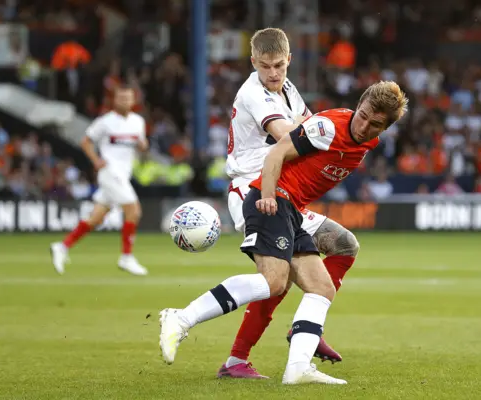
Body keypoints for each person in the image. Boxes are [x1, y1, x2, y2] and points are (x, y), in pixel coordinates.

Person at [159, 80, 408, 385]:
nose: (364, 124)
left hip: (293, 211)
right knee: (274, 281)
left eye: (375, 124)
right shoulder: (328, 127)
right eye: (363, 114)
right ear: (359, 104)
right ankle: (181, 318)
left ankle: (298, 366)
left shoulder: (370, 142)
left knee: (322, 285)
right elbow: (277, 153)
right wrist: (266, 195)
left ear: (385, 128)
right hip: (272, 199)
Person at [219, 27, 358, 380]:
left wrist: (304, 125)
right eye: (265, 66)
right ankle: (237, 358)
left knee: (344, 245)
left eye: (279, 65)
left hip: (284, 192)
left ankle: (309, 327)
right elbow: (292, 137)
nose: (273, 73)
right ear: (254, 63)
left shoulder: (289, 90)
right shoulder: (253, 93)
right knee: (275, 279)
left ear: (289, 61)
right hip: (254, 191)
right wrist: (301, 125)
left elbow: (309, 128)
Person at [49, 86, 149, 276]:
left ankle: (62, 247)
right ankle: (126, 257)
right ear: (114, 100)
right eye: (121, 98)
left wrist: (143, 145)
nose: (124, 101)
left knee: (96, 218)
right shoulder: (105, 122)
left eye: (128, 98)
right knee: (134, 210)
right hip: (110, 172)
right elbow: (85, 141)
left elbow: (141, 145)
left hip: (124, 173)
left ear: (133, 100)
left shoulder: (138, 121)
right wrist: (96, 160)